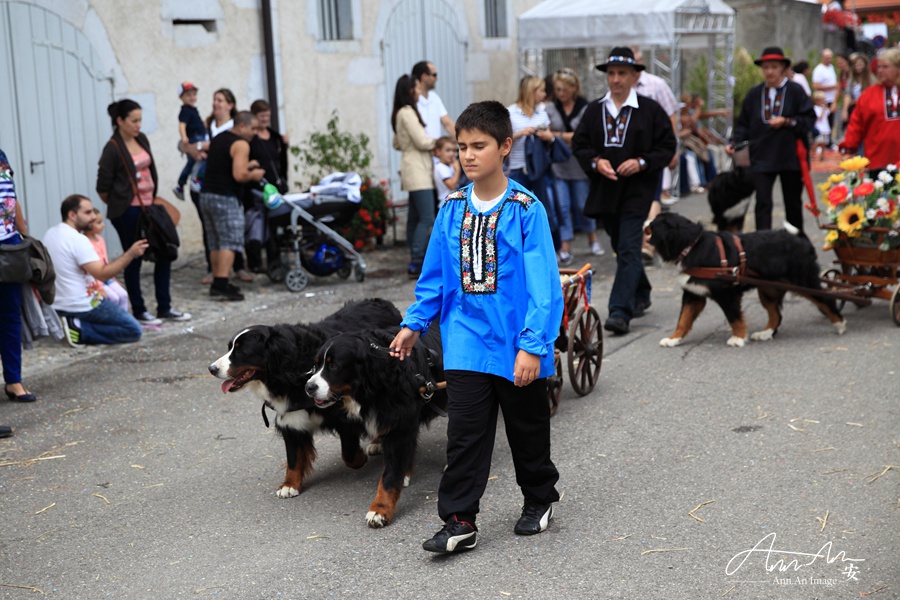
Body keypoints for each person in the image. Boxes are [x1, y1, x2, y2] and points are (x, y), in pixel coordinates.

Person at [389, 100, 563, 554]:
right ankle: (460, 519)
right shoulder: (451, 209)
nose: (467, 156)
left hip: (516, 343)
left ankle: (540, 497)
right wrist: (414, 323)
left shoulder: (527, 210)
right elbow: (436, 277)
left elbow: (544, 288)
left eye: (478, 146)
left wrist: (532, 345)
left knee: (527, 430)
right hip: (465, 341)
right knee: (464, 435)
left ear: (505, 147)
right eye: (461, 147)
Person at [572, 47, 677, 336]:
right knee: (621, 247)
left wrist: (642, 162)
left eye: (622, 74)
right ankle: (641, 291)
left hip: (638, 191)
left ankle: (619, 311)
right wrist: (596, 162)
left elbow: (667, 146)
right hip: (606, 191)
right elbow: (579, 145)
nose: (616, 79)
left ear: (634, 76)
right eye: (612, 74)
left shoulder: (650, 109)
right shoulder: (594, 111)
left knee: (630, 248)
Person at [96, 99, 192, 325]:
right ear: (120, 121)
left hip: (150, 208)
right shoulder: (113, 148)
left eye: (140, 120)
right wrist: (123, 202)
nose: (138, 125)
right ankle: (139, 310)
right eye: (134, 120)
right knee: (134, 258)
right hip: (128, 212)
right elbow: (102, 188)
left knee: (165, 251)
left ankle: (164, 307)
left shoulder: (141, 139)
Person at [727, 46, 815, 232]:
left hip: (789, 155)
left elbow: (808, 120)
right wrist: (735, 142)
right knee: (763, 202)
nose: (769, 71)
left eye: (774, 67)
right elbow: (744, 124)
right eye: (766, 67)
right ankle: (763, 243)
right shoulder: (754, 94)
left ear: (783, 69)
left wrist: (787, 121)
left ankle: (795, 243)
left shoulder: (796, 91)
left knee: (792, 203)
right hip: (762, 156)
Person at [43, 194, 147, 346]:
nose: (93, 217)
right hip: (82, 304)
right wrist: (130, 254)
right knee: (133, 330)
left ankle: (73, 323)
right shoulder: (78, 240)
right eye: (88, 213)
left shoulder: (51, 233)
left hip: (59, 304)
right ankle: (79, 329)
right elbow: (103, 274)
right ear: (72, 215)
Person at [199, 110, 265, 301]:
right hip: (225, 197)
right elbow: (239, 175)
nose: (255, 133)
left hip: (207, 195)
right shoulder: (241, 144)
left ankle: (218, 281)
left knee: (215, 240)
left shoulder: (220, 138)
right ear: (242, 126)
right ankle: (221, 283)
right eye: (253, 128)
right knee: (229, 240)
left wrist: (247, 165)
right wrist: (254, 174)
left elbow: (226, 164)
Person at [544, 68, 605, 259]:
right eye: (558, 90)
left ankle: (593, 239)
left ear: (574, 88)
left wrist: (556, 136)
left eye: (564, 90)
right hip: (558, 164)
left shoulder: (585, 107)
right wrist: (565, 137)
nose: (560, 94)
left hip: (579, 164)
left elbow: (582, 135)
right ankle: (565, 246)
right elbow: (545, 133)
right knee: (562, 206)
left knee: (582, 204)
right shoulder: (550, 107)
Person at [0, 149, 36, 435]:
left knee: (10, 318)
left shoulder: (1, 155)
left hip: (9, 247)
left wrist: (25, 236)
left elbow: (11, 199)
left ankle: (14, 381)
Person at [506, 76, 558, 251]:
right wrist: (521, 133)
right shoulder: (510, 113)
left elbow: (550, 138)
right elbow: (501, 141)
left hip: (539, 169)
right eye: (541, 90)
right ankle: (518, 249)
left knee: (544, 210)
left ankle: (550, 248)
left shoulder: (541, 113)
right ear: (531, 91)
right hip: (518, 169)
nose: (544, 94)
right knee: (517, 212)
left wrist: (547, 136)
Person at [391, 74, 436, 278]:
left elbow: (397, 142)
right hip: (418, 169)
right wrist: (441, 142)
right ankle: (417, 258)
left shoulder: (400, 113)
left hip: (411, 166)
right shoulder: (408, 112)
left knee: (415, 217)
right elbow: (422, 141)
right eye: (417, 88)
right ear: (410, 91)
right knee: (427, 217)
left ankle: (414, 257)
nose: (419, 92)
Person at [245, 98, 289, 273]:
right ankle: (255, 262)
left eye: (267, 116)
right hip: (257, 189)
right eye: (261, 116)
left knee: (275, 225)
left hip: (275, 188)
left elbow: (281, 162)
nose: (265, 120)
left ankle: (274, 260)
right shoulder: (250, 139)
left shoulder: (275, 137)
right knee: (256, 226)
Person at [839, 47, 900, 173]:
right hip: (878, 161)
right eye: (879, 67)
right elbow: (856, 124)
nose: (880, 71)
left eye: (885, 67)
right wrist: (849, 148)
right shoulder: (869, 95)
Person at [84, 208, 129, 311]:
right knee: (113, 298)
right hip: (96, 279)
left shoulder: (100, 239)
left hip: (106, 277)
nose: (103, 225)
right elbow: (91, 270)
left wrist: (113, 279)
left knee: (123, 295)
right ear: (89, 225)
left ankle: (123, 320)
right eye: (99, 223)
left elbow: (105, 261)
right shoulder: (85, 243)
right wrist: (99, 288)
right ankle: (112, 322)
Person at [173, 82, 206, 200]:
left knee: (191, 163)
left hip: (199, 136)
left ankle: (180, 184)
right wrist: (184, 137)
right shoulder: (185, 110)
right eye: (188, 95)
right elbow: (182, 125)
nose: (192, 98)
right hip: (194, 138)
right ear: (181, 97)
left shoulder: (192, 110)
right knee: (204, 157)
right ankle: (197, 179)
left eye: (194, 94)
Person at [412, 61, 455, 139]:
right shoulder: (411, 101)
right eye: (434, 75)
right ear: (424, 77)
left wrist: (465, 141)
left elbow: (447, 124)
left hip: (436, 150)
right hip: (421, 149)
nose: (437, 78)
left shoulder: (434, 98)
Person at [813, 49, 839, 146]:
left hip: (831, 99)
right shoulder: (819, 70)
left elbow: (837, 86)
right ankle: (820, 143)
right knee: (821, 122)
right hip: (823, 100)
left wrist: (835, 100)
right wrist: (832, 87)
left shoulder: (831, 67)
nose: (829, 60)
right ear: (822, 58)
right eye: (827, 58)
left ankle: (829, 142)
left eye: (830, 58)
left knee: (830, 122)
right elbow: (816, 86)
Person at [842, 52, 875, 131]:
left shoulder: (871, 79)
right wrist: (845, 111)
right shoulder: (851, 80)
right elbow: (848, 94)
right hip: (855, 109)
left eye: (860, 64)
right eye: (856, 64)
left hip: (867, 109)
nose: (858, 67)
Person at [432, 136, 460, 207]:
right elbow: (451, 185)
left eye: (454, 150)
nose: (452, 154)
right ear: (438, 152)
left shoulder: (449, 166)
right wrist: (457, 170)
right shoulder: (441, 167)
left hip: (451, 202)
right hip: (446, 203)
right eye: (448, 150)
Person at [812, 91, 832, 160]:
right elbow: (819, 117)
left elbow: (829, 113)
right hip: (819, 128)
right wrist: (823, 110)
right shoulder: (815, 108)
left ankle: (822, 156)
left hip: (825, 128)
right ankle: (812, 154)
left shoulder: (825, 108)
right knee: (817, 142)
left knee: (824, 143)